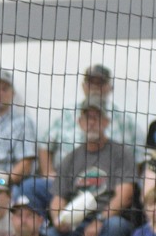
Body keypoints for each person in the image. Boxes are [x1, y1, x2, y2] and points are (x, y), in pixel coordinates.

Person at [49, 101, 139, 236]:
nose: (91, 122)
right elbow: (57, 199)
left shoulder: (121, 154)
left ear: (106, 122)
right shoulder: (71, 158)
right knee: (51, 235)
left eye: (96, 118)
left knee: (114, 226)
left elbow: (125, 195)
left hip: (110, 218)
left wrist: (100, 220)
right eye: (87, 118)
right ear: (79, 122)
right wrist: (58, 219)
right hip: (77, 221)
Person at [39, 63, 143, 197]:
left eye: (100, 83)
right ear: (83, 86)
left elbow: (139, 157)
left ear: (110, 87)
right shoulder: (68, 114)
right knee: (30, 187)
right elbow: (44, 145)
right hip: (66, 183)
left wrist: (125, 183)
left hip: (106, 186)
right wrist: (48, 172)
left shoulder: (124, 120)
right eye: (90, 82)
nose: (95, 87)